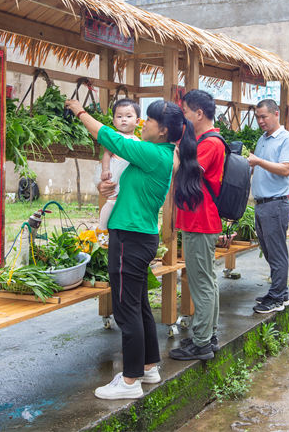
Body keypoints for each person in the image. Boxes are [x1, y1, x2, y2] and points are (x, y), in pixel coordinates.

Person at [65, 98, 203, 399]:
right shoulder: (158, 154)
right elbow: (124, 180)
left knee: (126, 310)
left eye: (149, 121)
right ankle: (148, 366)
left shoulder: (154, 153)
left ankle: (129, 381)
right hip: (137, 236)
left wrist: (79, 110)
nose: (144, 124)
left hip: (130, 238)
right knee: (138, 306)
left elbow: (108, 136)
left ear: (163, 130)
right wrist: (108, 188)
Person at [169, 90, 225, 361]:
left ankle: (202, 342)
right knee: (207, 281)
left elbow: (184, 170)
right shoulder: (202, 140)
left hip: (201, 221)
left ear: (199, 114)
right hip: (200, 219)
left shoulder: (210, 143)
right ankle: (208, 335)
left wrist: (174, 150)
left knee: (201, 282)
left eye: (186, 113)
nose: (185, 118)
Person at [247, 99, 289, 314]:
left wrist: (258, 161)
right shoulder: (262, 139)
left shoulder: (287, 140)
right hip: (262, 204)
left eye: (263, 117)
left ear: (276, 114)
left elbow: (286, 169)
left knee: (277, 253)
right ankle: (279, 292)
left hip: (276, 204)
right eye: (258, 117)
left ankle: (277, 297)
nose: (260, 121)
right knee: (268, 251)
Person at [95, 99, 141, 238]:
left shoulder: (138, 141)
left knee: (125, 201)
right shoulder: (114, 137)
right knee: (112, 200)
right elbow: (107, 154)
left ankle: (121, 228)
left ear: (137, 121)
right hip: (115, 171)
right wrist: (105, 170)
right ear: (114, 121)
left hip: (128, 174)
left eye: (128, 116)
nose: (123, 120)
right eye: (119, 117)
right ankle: (102, 228)